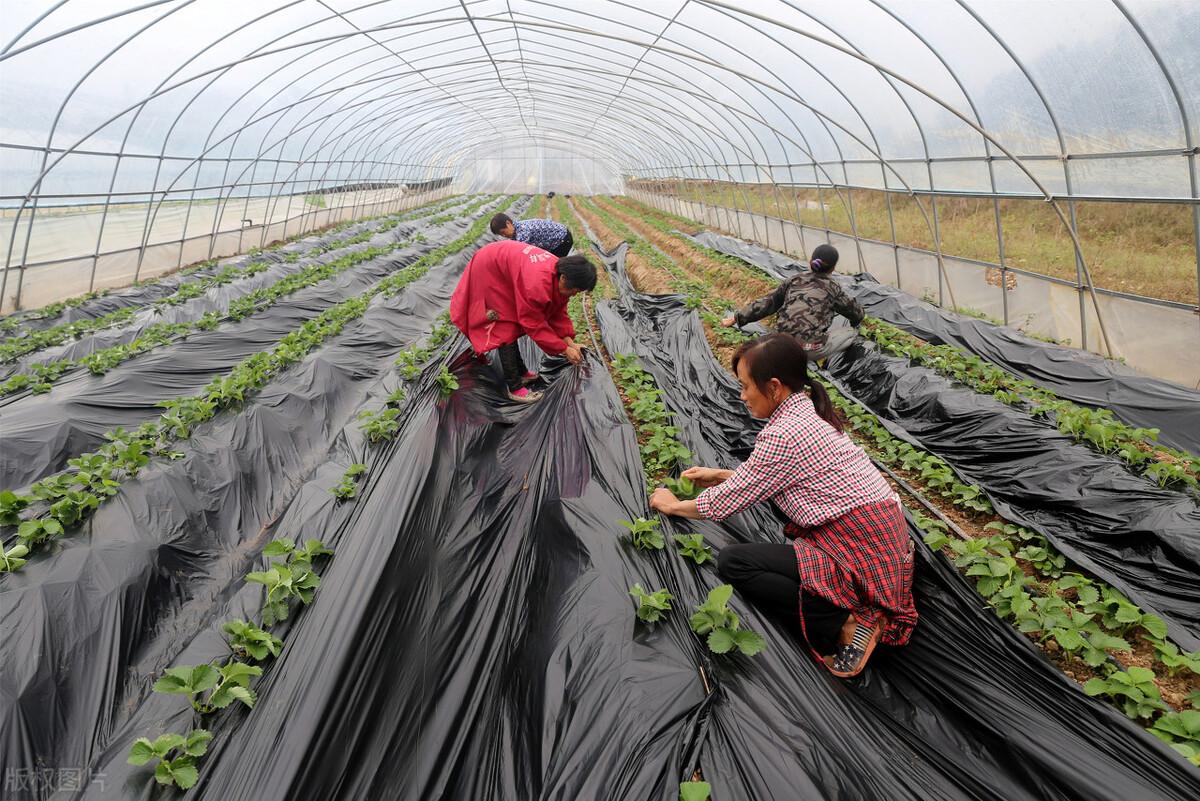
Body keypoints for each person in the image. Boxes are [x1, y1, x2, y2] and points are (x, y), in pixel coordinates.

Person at [649, 334, 916, 677]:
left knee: (735, 563)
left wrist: (674, 506)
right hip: (880, 541)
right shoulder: (805, 412)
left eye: (746, 387)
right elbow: (786, 475)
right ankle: (844, 608)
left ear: (774, 387)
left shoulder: (784, 434)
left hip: (862, 553)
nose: (742, 396)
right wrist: (723, 474)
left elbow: (725, 504)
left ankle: (849, 624)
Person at [449, 239, 596, 401]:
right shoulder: (537, 285)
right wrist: (564, 349)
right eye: (575, 290)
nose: (574, 294)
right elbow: (534, 324)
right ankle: (514, 387)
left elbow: (557, 311)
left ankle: (522, 372)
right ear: (563, 279)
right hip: (489, 269)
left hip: (505, 265)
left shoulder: (561, 273)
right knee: (505, 327)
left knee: (512, 321)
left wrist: (570, 343)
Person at [720, 244, 864, 362]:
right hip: (807, 350)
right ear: (833, 268)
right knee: (849, 332)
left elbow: (769, 303)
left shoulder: (794, 280)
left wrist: (736, 318)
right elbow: (855, 313)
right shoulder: (833, 288)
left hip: (779, 344)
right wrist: (856, 322)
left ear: (811, 262)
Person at [490, 212, 574, 258]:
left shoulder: (523, 230)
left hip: (562, 239)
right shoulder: (515, 233)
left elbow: (520, 254)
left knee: (555, 266)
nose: (504, 235)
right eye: (501, 234)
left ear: (508, 223)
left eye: (503, 232)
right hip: (554, 243)